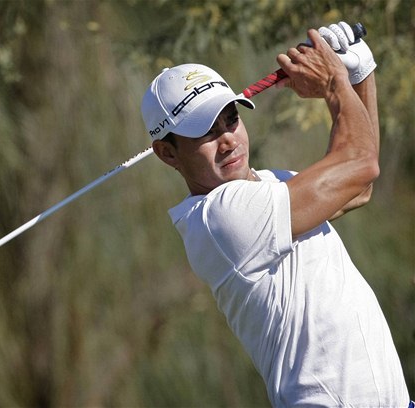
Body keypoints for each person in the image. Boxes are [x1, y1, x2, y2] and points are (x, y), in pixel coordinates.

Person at [141, 22, 412, 406]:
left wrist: (359, 73)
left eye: (231, 119)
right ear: (168, 153)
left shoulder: (271, 186)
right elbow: (361, 163)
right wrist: (336, 81)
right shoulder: (220, 218)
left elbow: (357, 186)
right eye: (205, 133)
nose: (228, 139)